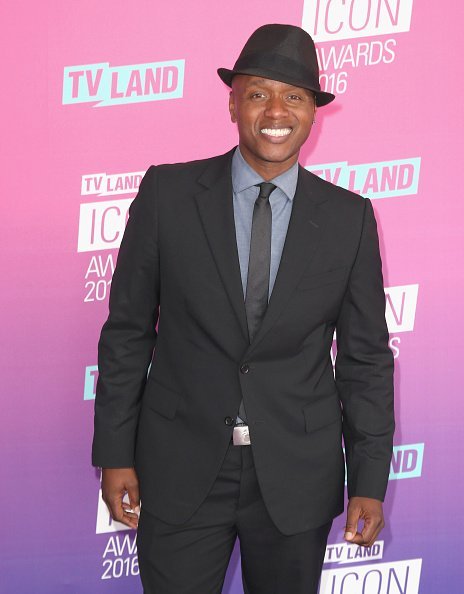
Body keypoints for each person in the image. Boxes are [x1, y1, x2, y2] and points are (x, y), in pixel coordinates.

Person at [92, 23, 394, 594]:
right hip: (179, 467)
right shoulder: (167, 195)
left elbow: (366, 361)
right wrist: (114, 452)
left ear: (312, 112)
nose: (275, 110)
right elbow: (128, 332)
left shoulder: (349, 218)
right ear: (233, 103)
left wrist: (370, 482)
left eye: (294, 97)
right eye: (258, 93)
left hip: (296, 476)